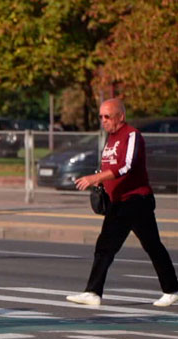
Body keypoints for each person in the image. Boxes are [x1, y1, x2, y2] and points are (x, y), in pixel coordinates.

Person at [66, 98, 178, 307]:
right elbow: (109, 165)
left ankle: (93, 292)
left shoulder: (131, 135)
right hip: (120, 200)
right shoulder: (111, 138)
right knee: (152, 245)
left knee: (106, 245)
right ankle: (172, 289)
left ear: (121, 116)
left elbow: (127, 165)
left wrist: (96, 178)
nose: (103, 120)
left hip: (134, 199)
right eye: (100, 116)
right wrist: (101, 186)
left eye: (107, 116)